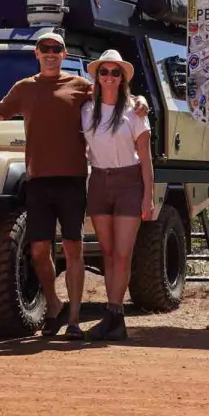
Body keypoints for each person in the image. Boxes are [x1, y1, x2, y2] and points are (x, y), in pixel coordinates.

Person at [0, 27, 146, 339]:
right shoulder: (24, 88)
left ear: (63, 54)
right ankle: (54, 302)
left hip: (72, 180)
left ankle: (73, 318)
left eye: (56, 49)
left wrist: (140, 99)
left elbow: (113, 94)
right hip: (38, 180)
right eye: (44, 48)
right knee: (38, 249)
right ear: (36, 53)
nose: (50, 54)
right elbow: (0, 111)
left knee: (74, 248)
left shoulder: (80, 86)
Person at [80, 49, 155, 341]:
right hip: (98, 181)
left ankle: (115, 315)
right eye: (104, 72)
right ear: (97, 77)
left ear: (122, 78)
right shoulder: (87, 109)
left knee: (123, 254)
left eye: (115, 72)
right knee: (108, 253)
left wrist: (147, 197)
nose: (109, 77)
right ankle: (112, 319)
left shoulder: (134, 110)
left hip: (128, 182)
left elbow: (147, 159)